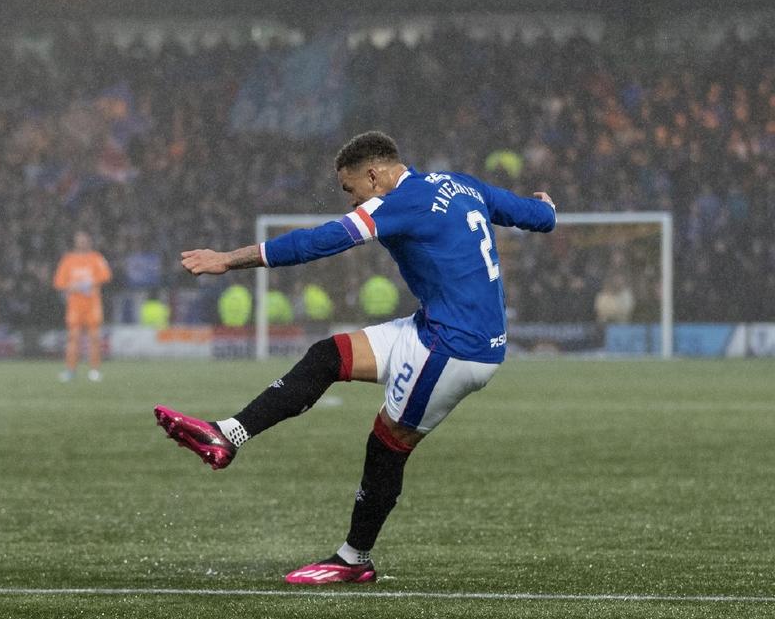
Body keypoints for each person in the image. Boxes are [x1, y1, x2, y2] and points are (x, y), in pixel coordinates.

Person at [154, 130, 555, 584]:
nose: (351, 200)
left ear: (374, 175)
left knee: (387, 444)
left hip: (455, 347)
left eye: (351, 189)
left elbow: (320, 242)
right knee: (329, 356)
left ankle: (353, 558)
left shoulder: (397, 204)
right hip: (436, 327)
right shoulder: (462, 183)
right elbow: (535, 216)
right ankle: (228, 434)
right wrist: (547, 209)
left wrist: (229, 259)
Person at [52, 230, 112, 382]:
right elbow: (59, 282)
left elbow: (106, 275)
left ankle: (94, 370)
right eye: (79, 239)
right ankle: (71, 370)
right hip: (75, 306)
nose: (82, 242)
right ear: (75, 241)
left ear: (89, 241)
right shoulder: (68, 259)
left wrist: (90, 282)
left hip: (92, 304)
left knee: (94, 337)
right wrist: (72, 287)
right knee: (73, 337)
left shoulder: (96, 257)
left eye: (84, 239)